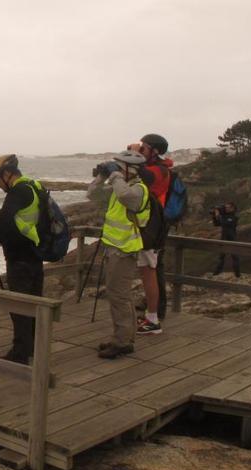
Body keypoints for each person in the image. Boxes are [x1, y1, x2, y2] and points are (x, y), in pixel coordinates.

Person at [86, 150, 151, 359]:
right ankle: (123, 337)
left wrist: (115, 176)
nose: (116, 170)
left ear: (130, 170)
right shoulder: (119, 186)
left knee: (119, 295)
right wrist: (102, 176)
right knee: (118, 295)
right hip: (115, 248)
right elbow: (92, 194)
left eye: (119, 167)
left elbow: (126, 198)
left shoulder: (139, 190)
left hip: (125, 250)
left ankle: (123, 341)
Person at [0, 154, 44, 365]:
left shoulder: (18, 191)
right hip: (35, 255)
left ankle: (20, 353)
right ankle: (33, 348)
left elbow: (2, 221)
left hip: (20, 258)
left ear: (7, 174)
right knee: (34, 306)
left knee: (20, 307)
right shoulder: (34, 185)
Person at [128, 133, 173, 335]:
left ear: (154, 151)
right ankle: (151, 315)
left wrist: (132, 155)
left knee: (149, 271)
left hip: (151, 227)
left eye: (144, 148)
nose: (141, 151)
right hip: (148, 226)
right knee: (149, 270)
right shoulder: (156, 168)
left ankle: (153, 319)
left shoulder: (160, 171)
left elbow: (140, 175)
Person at [212, 202, 241, 277]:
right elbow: (216, 224)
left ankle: (237, 274)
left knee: (235, 257)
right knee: (221, 257)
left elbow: (226, 223)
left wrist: (218, 215)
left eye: (228, 207)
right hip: (224, 238)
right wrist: (214, 216)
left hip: (232, 239)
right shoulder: (224, 216)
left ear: (233, 208)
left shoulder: (234, 216)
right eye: (225, 207)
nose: (226, 209)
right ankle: (216, 273)